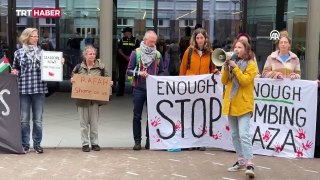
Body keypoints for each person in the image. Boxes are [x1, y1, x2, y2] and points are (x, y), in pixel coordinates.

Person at [11, 28, 64, 154]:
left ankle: (37, 145)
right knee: (24, 120)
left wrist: (59, 63)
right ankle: (25, 145)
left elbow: (52, 66)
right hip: (23, 89)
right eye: (33, 36)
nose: (36, 38)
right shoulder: (18, 53)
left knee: (38, 120)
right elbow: (15, 68)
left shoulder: (43, 52)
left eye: (37, 36)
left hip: (39, 89)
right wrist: (14, 72)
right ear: (26, 37)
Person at [221, 39, 257, 178]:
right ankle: (240, 159)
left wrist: (234, 67)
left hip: (244, 105)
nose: (236, 50)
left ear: (246, 50)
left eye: (239, 47)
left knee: (244, 134)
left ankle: (250, 162)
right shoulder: (231, 65)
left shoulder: (251, 64)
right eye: (235, 47)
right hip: (231, 104)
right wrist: (225, 67)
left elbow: (244, 81)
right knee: (235, 135)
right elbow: (224, 81)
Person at [179, 28, 219, 151]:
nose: (200, 40)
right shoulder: (189, 52)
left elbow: (212, 68)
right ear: (194, 39)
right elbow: (183, 69)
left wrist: (215, 71)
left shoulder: (211, 52)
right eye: (197, 38)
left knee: (201, 115)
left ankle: (200, 140)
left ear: (205, 39)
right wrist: (181, 85)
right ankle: (189, 141)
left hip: (203, 88)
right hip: (191, 88)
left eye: (202, 38)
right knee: (190, 114)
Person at [71, 45, 113, 152]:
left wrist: (109, 83)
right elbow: (73, 79)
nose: (92, 56)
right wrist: (73, 81)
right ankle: (85, 144)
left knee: (94, 123)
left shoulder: (101, 67)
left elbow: (107, 78)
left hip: (94, 100)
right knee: (83, 124)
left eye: (94, 54)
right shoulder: (78, 67)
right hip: (82, 100)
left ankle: (95, 143)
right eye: (90, 54)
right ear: (85, 55)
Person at [127, 30, 164, 150]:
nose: (152, 44)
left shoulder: (157, 55)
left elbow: (162, 71)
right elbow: (129, 71)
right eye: (151, 42)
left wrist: (158, 78)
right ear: (145, 40)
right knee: (137, 116)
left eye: (154, 42)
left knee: (151, 116)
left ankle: (149, 140)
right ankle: (137, 141)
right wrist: (139, 73)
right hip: (138, 88)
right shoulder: (135, 53)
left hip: (152, 89)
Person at [117, 27, 140, 96]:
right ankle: (120, 92)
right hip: (123, 61)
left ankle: (134, 91)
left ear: (129, 32)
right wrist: (125, 56)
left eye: (125, 32)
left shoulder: (136, 40)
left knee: (133, 76)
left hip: (132, 61)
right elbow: (119, 49)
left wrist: (131, 57)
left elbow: (137, 50)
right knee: (121, 77)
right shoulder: (122, 40)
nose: (124, 34)